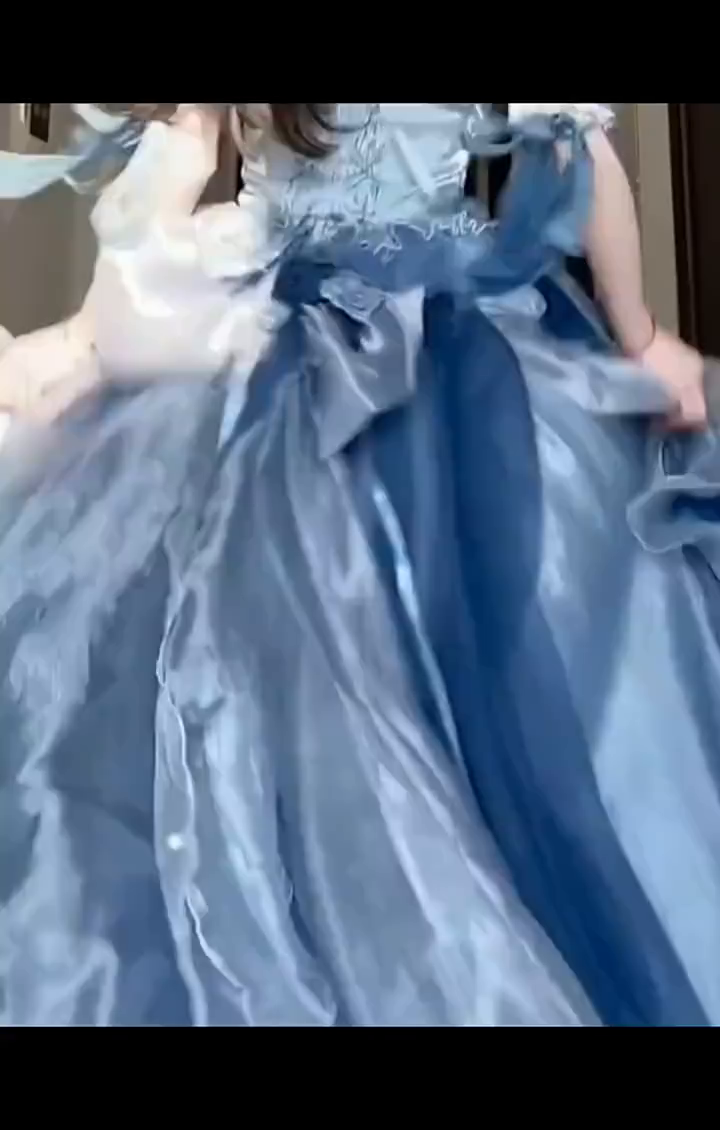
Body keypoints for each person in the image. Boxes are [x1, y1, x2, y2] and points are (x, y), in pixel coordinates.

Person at [0, 103, 718, 1028]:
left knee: (243, 642)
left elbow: (179, 163)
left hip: (269, 333)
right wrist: (639, 333)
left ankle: (301, 890)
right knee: (477, 657)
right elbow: (583, 164)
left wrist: (123, 312)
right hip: (440, 345)